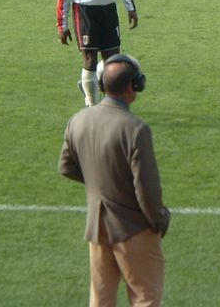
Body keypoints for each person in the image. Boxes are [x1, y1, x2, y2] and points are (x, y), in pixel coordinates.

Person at [59, 54, 170, 307]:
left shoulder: (77, 120)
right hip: (134, 229)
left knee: (100, 300)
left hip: (97, 230)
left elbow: (66, 167)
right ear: (134, 86)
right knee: (146, 298)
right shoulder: (136, 130)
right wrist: (159, 218)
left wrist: (101, 183)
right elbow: (147, 190)